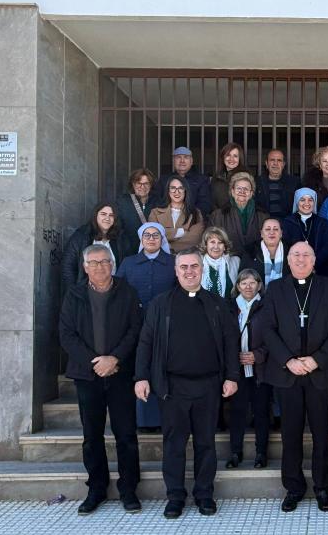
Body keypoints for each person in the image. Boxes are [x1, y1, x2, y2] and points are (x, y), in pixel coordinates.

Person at [134, 247, 240, 519]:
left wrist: (231, 376)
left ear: (202, 269)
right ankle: (175, 496)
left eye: (194, 266)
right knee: (174, 444)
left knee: (206, 443)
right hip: (172, 387)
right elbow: (145, 341)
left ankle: (204, 494)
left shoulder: (216, 303)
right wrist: (141, 377)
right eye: (184, 267)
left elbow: (230, 342)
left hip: (208, 386)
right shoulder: (160, 304)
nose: (189, 271)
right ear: (175, 270)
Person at [260, 242, 328, 513]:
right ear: (288, 259)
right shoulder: (275, 289)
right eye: (296, 255)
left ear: (314, 260)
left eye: (306, 255)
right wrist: (288, 360)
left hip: (319, 372)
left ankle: (323, 488)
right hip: (287, 374)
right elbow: (268, 330)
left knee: (322, 434)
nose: (301, 259)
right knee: (290, 434)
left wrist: (316, 359)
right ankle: (294, 487)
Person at [58, 244, 143, 515]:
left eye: (105, 261)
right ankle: (96, 488)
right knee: (91, 436)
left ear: (113, 264)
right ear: (85, 267)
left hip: (119, 373)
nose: (100, 267)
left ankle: (128, 489)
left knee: (126, 434)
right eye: (94, 263)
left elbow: (135, 329)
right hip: (87, 375)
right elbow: (67, 334)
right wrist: (95, 362)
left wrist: (114, 358)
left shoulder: (126, 292)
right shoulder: (74, 295)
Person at [116, 222, 176, 431]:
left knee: (162, 369)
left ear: (162, 239)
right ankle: (143, 420)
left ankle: (162, 418)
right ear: (141, 239)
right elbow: (119, 292)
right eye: (147, 235)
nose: (151, 239)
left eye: (156, 235)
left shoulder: (172, 262)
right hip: (134, 325)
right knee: (140, 369)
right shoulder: (129, 263)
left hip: (166, 325)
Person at [227, 269, 272, 469]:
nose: (248, 287)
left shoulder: (267, 307)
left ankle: (261, 453)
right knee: (237, 412)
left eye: (252, 283)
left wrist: (257, 355)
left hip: (260, 370)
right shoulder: (228, 308)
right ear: (237, 286)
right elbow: (222, 339)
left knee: (261, 412)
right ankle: (235, 452)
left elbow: (274, 338)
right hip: (236, 371)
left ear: (259, 285)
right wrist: (234, 357)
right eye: (243, 283)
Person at [62, 202, 131, 289]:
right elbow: (68, 266)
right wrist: (73, 292)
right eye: (103, 214)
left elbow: (127, 268)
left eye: (111, 215)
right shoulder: (81, 236)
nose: (107, 218)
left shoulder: (121, 239)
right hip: (85, 292)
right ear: (96, 216)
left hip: (113, 292)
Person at [209, 171, 269, 258]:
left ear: (251, 193)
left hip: (255, 261)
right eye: (238, 188)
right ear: (232, 191)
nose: (242, 191)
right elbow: (210, 241)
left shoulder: (262, 216)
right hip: (228, 260)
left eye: (246, 189)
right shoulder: (218, 215)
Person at [281, 188, 328, 278]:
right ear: (297, 202)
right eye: (302, 200)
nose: (307, 203)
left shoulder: (322, 223)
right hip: (294, 270)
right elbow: (285, 247)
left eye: (310, 200)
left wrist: (313, 265)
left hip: (319, 270)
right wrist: (299, 266)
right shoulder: (287, 223)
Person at [148, 176, 205, 252]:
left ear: (185, 190)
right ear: (168, 191)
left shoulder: (196, 213)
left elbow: (195, 238)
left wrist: (167, 245)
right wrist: (182, 231)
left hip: (186, 258)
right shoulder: (155, 212)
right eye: (173, 188)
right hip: (162, 259)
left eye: (180, 188)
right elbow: (153, 235)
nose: (176, 192)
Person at [153, 146, 212, 217]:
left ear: (191, 161)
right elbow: (157, 201)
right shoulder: (164, 180)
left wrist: (188, 216)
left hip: (193, 221)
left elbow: (205, 205)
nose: (182, 161)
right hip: (167, 220)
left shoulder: (202, 180)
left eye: (186, 157)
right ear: (173, 160)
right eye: (178, 157)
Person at [116, 168, 158, 255]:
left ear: (151, 185)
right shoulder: (122, 202)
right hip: (128, 251)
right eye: (139, 183)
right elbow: (117, 227)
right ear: (133, 184)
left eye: (146, 183)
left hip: (152, 250)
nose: (142, 187)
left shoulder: (158, 202)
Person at [255, 149, 301, 219]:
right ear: (267, 164)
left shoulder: (295, 182)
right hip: (263, 225)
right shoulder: (257, 182)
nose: (275, 163)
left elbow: (300, 206)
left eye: (279, 160)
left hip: (287, 224)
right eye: (272, 160)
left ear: (283, 164)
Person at [241, 218, 285, 290]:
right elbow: (242, 279)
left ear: (281, 233)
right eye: (267, 229)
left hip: (285, 297)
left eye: (276, 229)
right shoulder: (250, 252)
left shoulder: (291, 252)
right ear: (261, 233)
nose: (271, 232)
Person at [199, 226, 241, 300]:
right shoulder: (197, 262)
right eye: (212, 242)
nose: (216, 247)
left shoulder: (236, 262)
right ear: (206, 245)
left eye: (220, 243)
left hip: (228, 309)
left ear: (225, 246)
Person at [210, 142, 249, 212]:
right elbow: (212, 201)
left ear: (240, 159)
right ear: (223, 157)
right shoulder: (216, 176)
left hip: (237, 218)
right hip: (218, 218)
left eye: (235, 156)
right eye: (228, 155)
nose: (231, 159)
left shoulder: (246, 177)